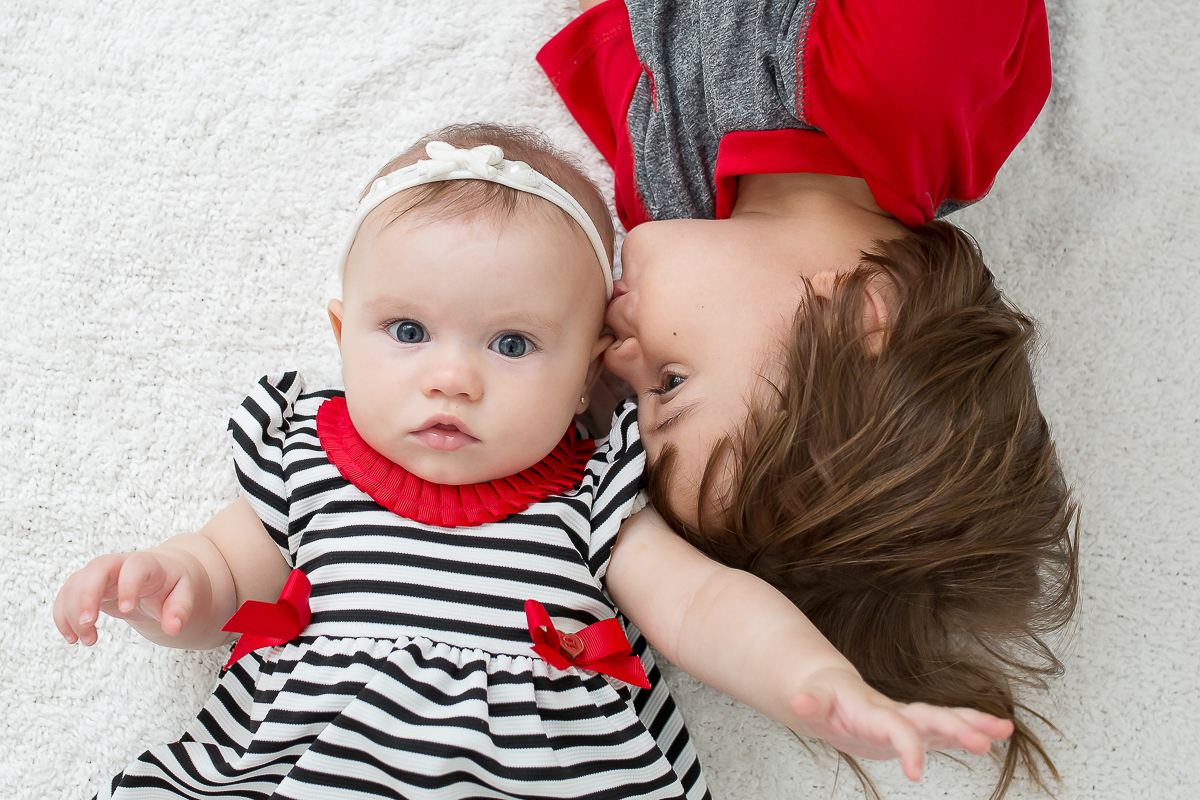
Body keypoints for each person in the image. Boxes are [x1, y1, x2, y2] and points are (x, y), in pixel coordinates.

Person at [53, 124, 1012, 800]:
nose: (453, 377)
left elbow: (704, 608)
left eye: (513, 345)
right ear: (340, 337)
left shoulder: (595, 499)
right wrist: (162, 587)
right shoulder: (309, 459)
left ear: (590, 371)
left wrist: (814, 682)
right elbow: (220, 585)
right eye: (406, 330)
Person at [539, 1, 1081, 797]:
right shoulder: (909, 83)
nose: (620, 355)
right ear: (870, 311)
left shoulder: (663, 185)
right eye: (672, 384)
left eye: (633, 395)